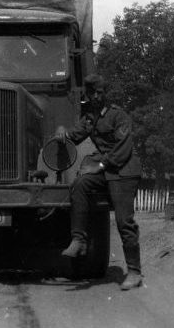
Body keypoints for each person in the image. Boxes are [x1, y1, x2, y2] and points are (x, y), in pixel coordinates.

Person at [56, 74, 143, 290]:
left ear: (105, 93)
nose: (96, 96)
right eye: (92, 93)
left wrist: (100, 166)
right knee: (80, 184)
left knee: (124, 222)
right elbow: (75, 135)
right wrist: (62, 132)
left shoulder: (118, 115)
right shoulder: (90, 117)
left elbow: (123, 150)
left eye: (100, 92)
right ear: (87, 93)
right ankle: (79, 240)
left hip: (124, 171)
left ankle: (134, 271)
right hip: (107, 169)